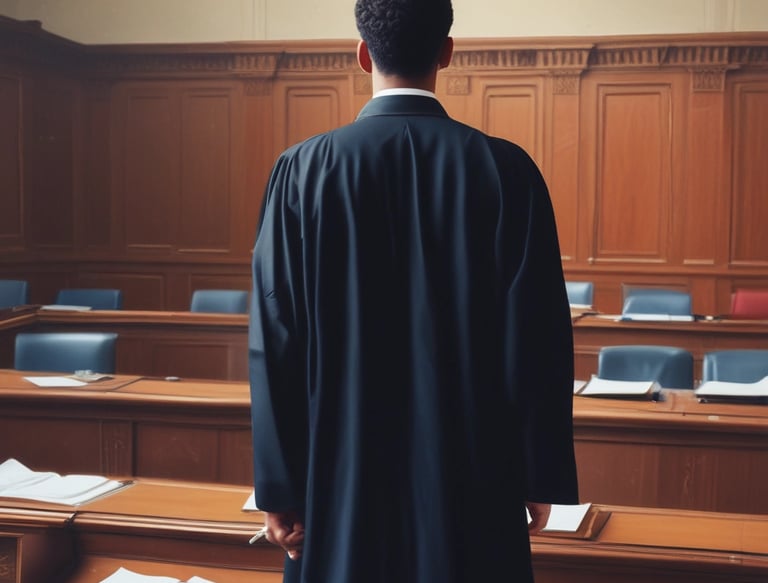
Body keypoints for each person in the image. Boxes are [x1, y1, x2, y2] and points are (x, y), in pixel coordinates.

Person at [248, 0, 578, 581]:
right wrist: (534, 473)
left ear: (362, 54)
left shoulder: (299, 172)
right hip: (471, 475)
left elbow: (275, 339)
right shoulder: (507, 171)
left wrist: (278, 485)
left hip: (338, 476)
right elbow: (538, 336)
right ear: (446, 53)